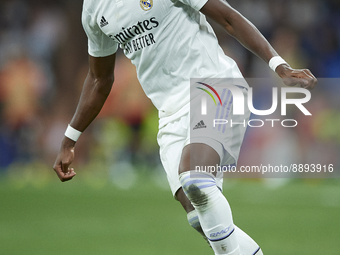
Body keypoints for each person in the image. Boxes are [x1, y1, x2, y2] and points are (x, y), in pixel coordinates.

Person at [53, 0, 317, 254]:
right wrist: (69, 139)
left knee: (195, 178)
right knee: (201, 217)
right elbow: (100, 79)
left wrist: (279, 65)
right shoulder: (93, 8)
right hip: (170, 114)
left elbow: (229, 18)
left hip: (215, 85)